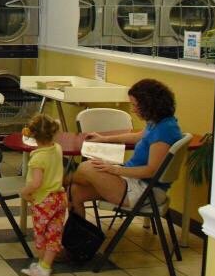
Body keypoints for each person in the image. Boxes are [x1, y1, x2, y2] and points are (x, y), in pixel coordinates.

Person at [69, 78, 183, 217]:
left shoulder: (163, 132)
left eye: (135, 105)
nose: (133, 110)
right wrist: (104, 139)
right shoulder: (161, 123)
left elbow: (151, 171)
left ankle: (59, 180)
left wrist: (114, 169)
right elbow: (138, 136)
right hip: (134, 182)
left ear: (149, 105)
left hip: (145, 192)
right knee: (74, 191)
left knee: (87, 167)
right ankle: (80, 237)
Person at [19, 113, 66, 276]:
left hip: (44, 201)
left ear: (32, 135)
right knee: (54, 233)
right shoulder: (58, 149)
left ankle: (41, 264)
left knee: (41, 234)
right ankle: (45, 266)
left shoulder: (38, 158)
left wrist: (25, 192)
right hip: (60, 197)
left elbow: (37, 183)